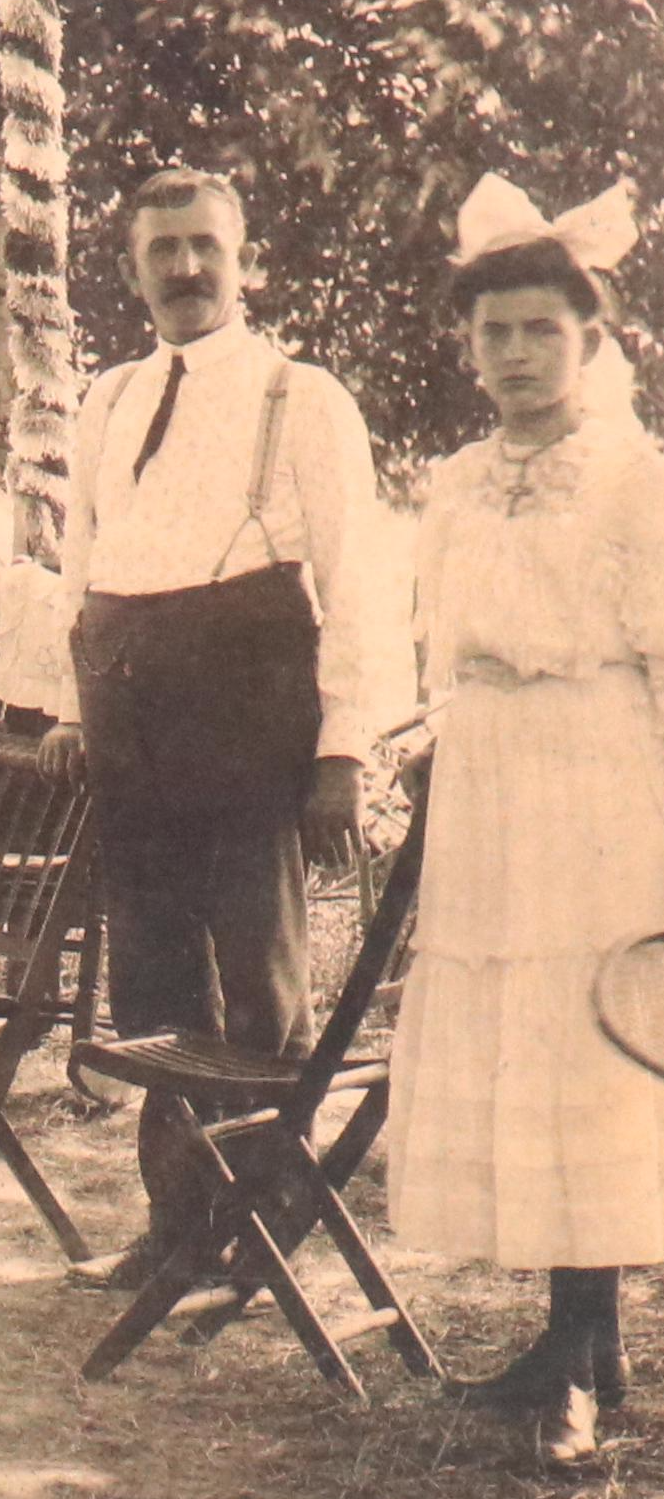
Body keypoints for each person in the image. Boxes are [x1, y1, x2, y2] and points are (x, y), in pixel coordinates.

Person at [40, 167, 403, 1291]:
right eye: (163, 251)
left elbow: (359, 582)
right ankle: (180, 1229)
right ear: (131, 270)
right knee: (149, 988)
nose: (187, 269)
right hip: (125, 704)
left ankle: (267, 1241)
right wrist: (66, 706)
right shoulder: (104, 399)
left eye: (206, 246)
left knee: (261, 988)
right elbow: (81, 565)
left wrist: (344, 747)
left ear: (244, 261)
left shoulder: (301, 396)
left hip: (249, 708)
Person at [388, 174, 664, 1468]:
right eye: (490, 331)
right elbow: (433, 646)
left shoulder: (635, 478)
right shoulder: (451, 482)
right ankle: (567, 1337)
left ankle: (590, 1355)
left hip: (601, 778)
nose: (510, 355)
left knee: (586, 1047)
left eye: (537, 331)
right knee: (516, 1046)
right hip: (492, 777)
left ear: (592, 338)